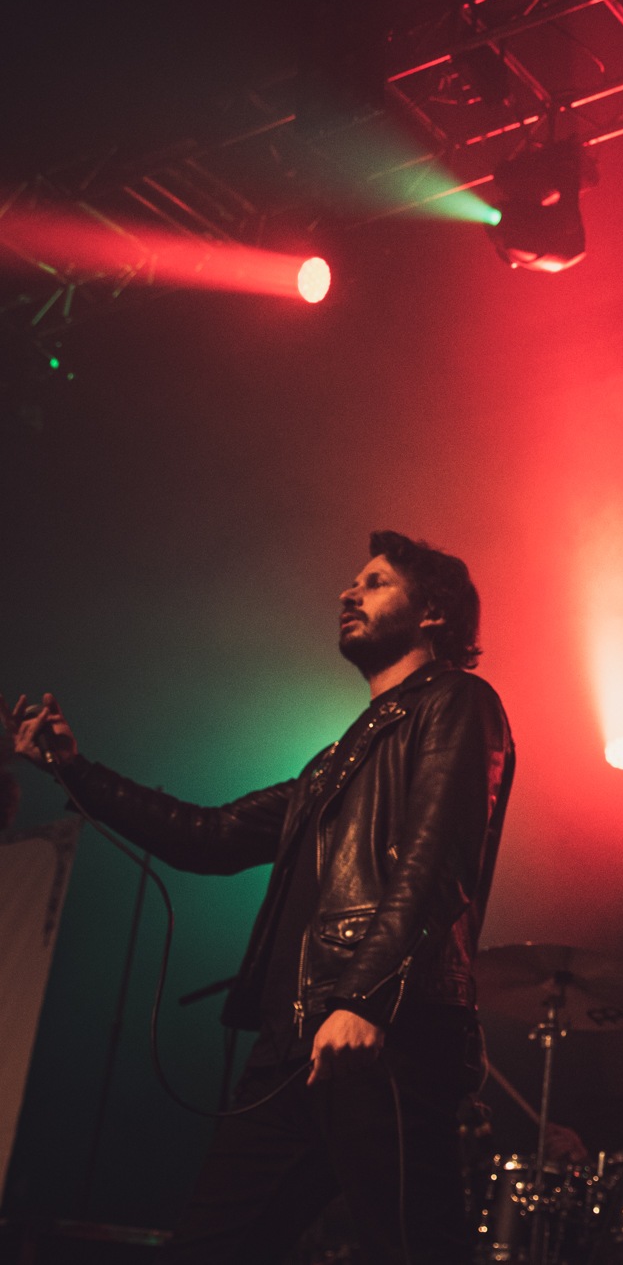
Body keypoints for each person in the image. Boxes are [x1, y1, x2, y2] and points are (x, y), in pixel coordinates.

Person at [5, 531, 514, 1264]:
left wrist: (364, 998)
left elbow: (438, 862)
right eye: (352, 582)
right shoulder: (333, 763)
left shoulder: (459, 702)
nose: (348, 592)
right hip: (292, 1049)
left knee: (415, 1248)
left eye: (375, 582)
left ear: (432, 611)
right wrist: (73, 769)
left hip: (386, 1036)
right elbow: (208, 835)